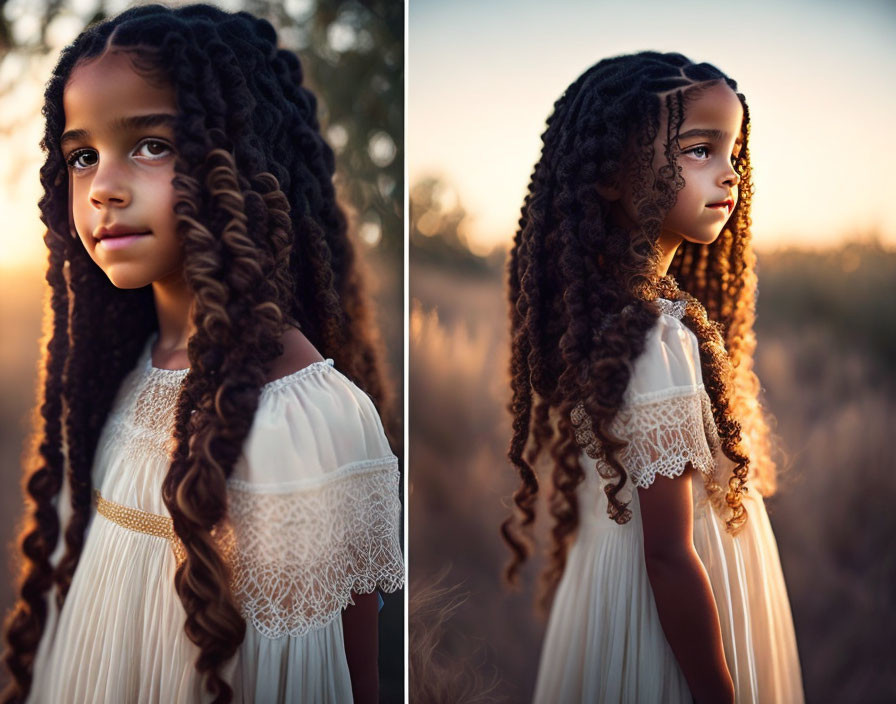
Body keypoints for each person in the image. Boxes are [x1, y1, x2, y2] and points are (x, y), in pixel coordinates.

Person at [0, 4, 404, 703]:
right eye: (82, 155)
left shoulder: (302, 413)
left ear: (243, 159)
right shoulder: (126, 369)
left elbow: (348, 678)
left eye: (152, 144)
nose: (103, 187)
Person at [501, 51, 804, 703]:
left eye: (734, 152)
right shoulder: (652, 337)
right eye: (699, 150)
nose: (729, 174)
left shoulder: (608, 315)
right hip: (668, 636)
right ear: (612, 174)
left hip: (614, 598)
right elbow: (667, 554)